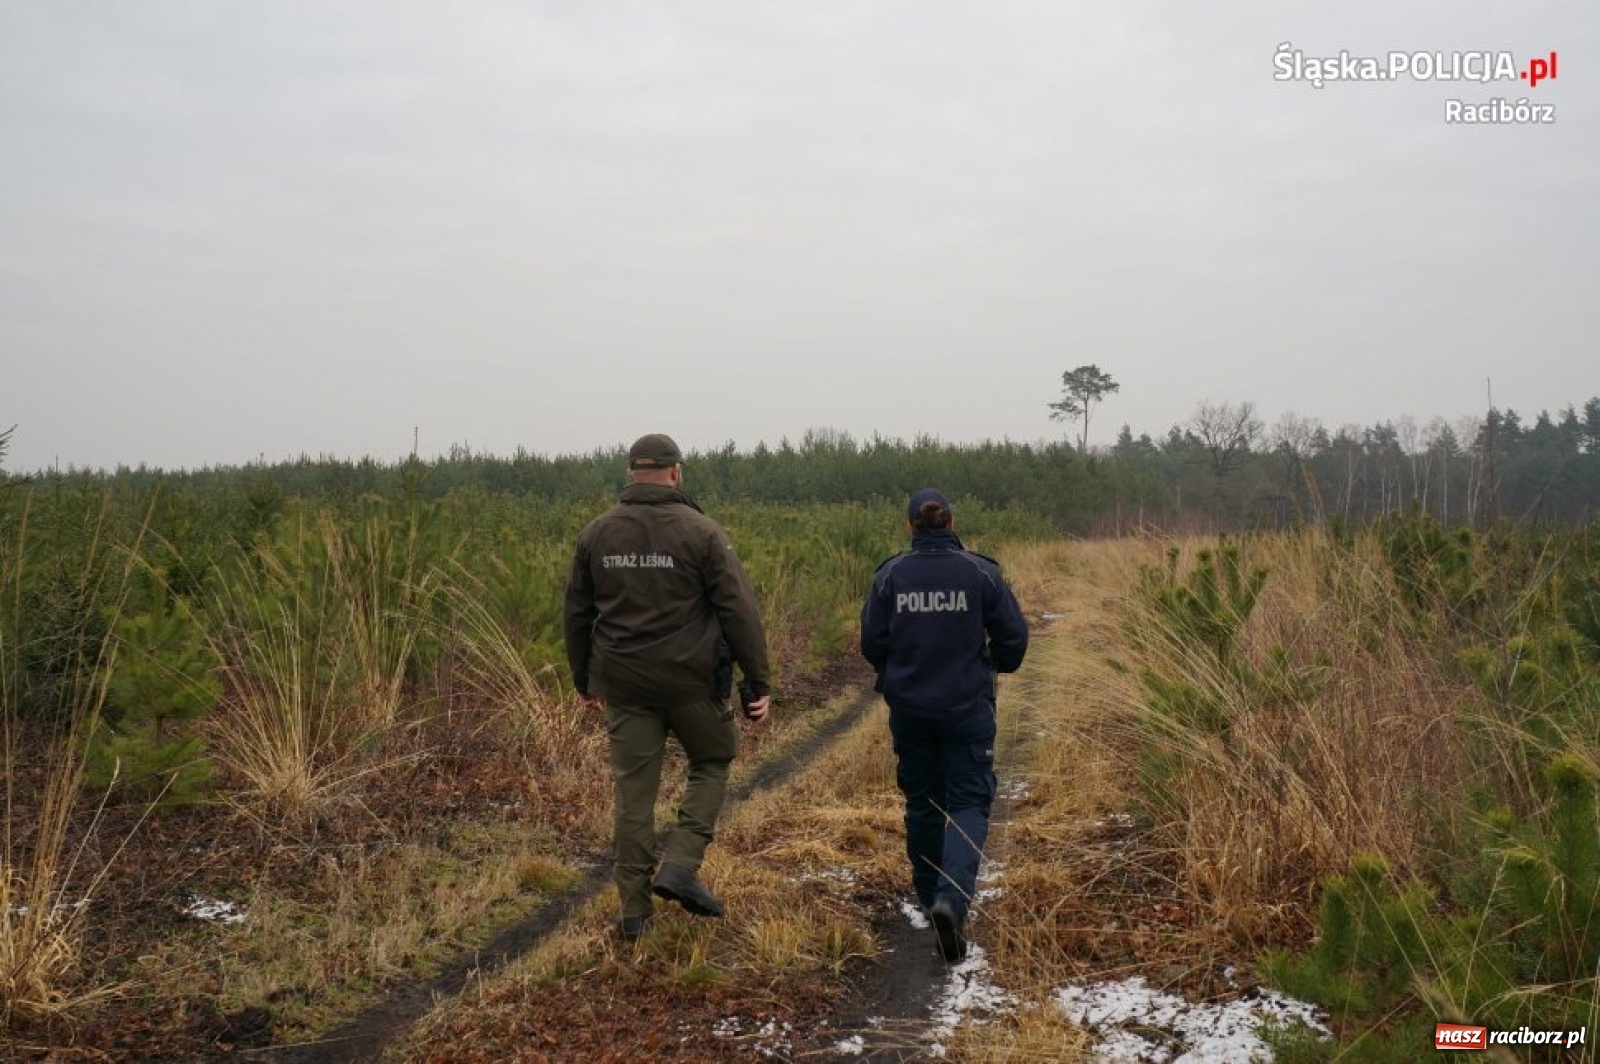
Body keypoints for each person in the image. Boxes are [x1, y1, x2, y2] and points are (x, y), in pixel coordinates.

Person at [563, 433, 772, 942]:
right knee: (713, 760)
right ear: (676, 472)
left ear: (630, 473)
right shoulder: (703, 532)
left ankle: (634, 913)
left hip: (624, 685)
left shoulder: (597, 533)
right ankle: (680, 863)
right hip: (692, 682)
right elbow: (739, 610)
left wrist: (583, 679)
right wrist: (757, 678)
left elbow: (577, 613)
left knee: (634, 796)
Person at [860, 488, 1029, 962]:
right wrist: (994, 665)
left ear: (910, 526)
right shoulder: (980, 573)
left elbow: (871, 643)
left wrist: (900, 672)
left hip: (910, 713)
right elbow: (1014, 637)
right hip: (967, 709)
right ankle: (950, 902)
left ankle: (928, 894)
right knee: (970, 801)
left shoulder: (890, 576)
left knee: (923, 802)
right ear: (952, 523)